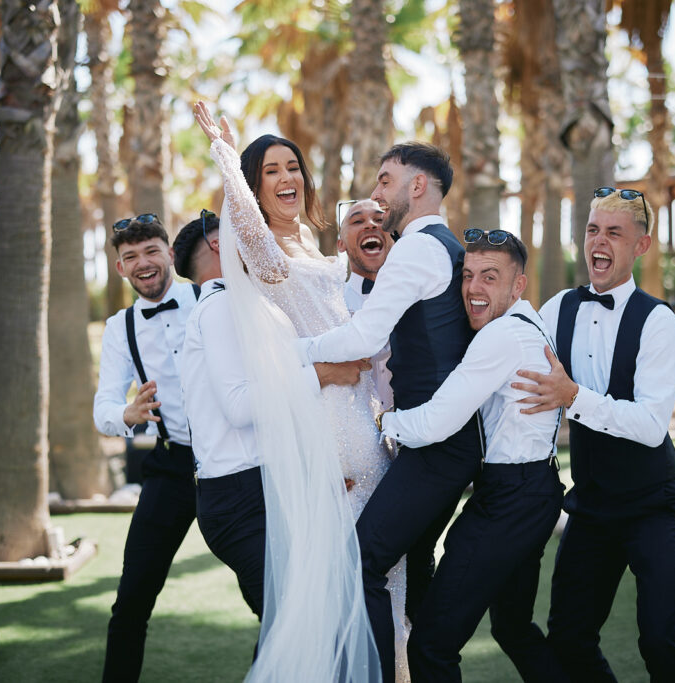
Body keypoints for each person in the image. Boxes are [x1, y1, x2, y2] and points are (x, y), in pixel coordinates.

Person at [193, 103, 390, 682]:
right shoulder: (267, 258)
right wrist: (226, 154)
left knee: (384, 588)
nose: (288, 179)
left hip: (366, 420)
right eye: (271, 171)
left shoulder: (312, 242)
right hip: (320, 428)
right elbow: (249, 231)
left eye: (293, 167)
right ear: (255, 189)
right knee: (336, 593)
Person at [297, 142, 484, 683]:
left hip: (436, 448)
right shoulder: (444, 246)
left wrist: (289, 354)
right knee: (414, 561)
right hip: (444, 444)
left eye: (384, 181)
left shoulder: (418, 249)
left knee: (364, 561)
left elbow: (364, 335)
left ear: (417, 186)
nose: (378, 195)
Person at [513, 187, 675, 681]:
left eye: (614, 232)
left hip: (651, 505)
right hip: (591, 505)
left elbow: (651, 424)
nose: (599, 240)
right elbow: (509, 341)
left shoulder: (658, 321)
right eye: (593, 229)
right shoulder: (557, 308)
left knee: (660, 642)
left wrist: (573, 397)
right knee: (569, 637)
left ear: (641, 245)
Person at [377, 230, 568, 683]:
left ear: (518, 285)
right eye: (467, 276)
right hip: (536, 490)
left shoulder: (501, 337)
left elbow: (437, 422)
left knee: (431, 644)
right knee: (514, 629)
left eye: (489, 277)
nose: (474, 289)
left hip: (510, 501)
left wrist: (384, 422)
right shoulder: (530, 323)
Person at [177, 210, 366, 645]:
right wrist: (324, 374)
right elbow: (241, 406)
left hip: (261, 490)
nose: (253, 235)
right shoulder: (222, 306)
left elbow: (283, 362)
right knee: (297, 636)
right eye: (241, 228)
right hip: (241, 501)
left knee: (296, 636)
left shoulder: (239, 304)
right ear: (219, 243)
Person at [93, 213, 200, 683]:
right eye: (130, 257)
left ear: (170, 255)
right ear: (121, 269)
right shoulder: (120, 328)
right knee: (131, 600)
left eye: (151, 251)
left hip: (236, 466)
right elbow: (102, 408)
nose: (143, 263)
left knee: (268, 594)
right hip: (171, 467)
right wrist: (126, 416)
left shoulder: (209, 297)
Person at [338, 198, 393, 410]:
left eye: (379, 219)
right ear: (340, 244)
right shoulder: (330, 304)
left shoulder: (419, 302)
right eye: (357, 221)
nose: (371, 225)